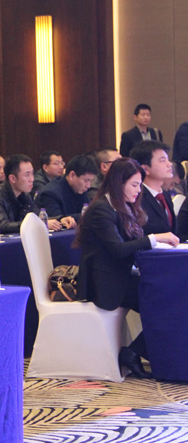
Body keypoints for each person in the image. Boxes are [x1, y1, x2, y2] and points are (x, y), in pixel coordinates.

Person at [76, 158, 179, 378]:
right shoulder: (101, 209)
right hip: (106, 283)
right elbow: (118, 250)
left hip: (123, 276)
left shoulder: (121, 206)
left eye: (139, 185)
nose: (138, 190)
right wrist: (154, 238)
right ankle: (136, 353)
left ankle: (136, 352)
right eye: (134, 185)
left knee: (173, 298)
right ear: (118, 182)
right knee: (169, 302)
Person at [0, 154, 68, 234]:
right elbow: (2, 226)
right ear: (13, 178)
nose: (32, 179)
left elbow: (37, 216)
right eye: (27, 175)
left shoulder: (24, 195)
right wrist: (39, 223)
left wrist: (60, 219)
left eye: (32, 174)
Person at [130, 141, 177, 236]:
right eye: (162, 160)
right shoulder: (136, 196)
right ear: (145, 169)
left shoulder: (165, 195)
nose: (169, 164)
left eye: (168, 160)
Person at [35, 155, 99, 226]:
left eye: (90, 181)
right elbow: (58, 221)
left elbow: (88, 213)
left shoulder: (80, 189)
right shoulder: (50, 193)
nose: (88, 185)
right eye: (86, 181)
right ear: (72, 175)